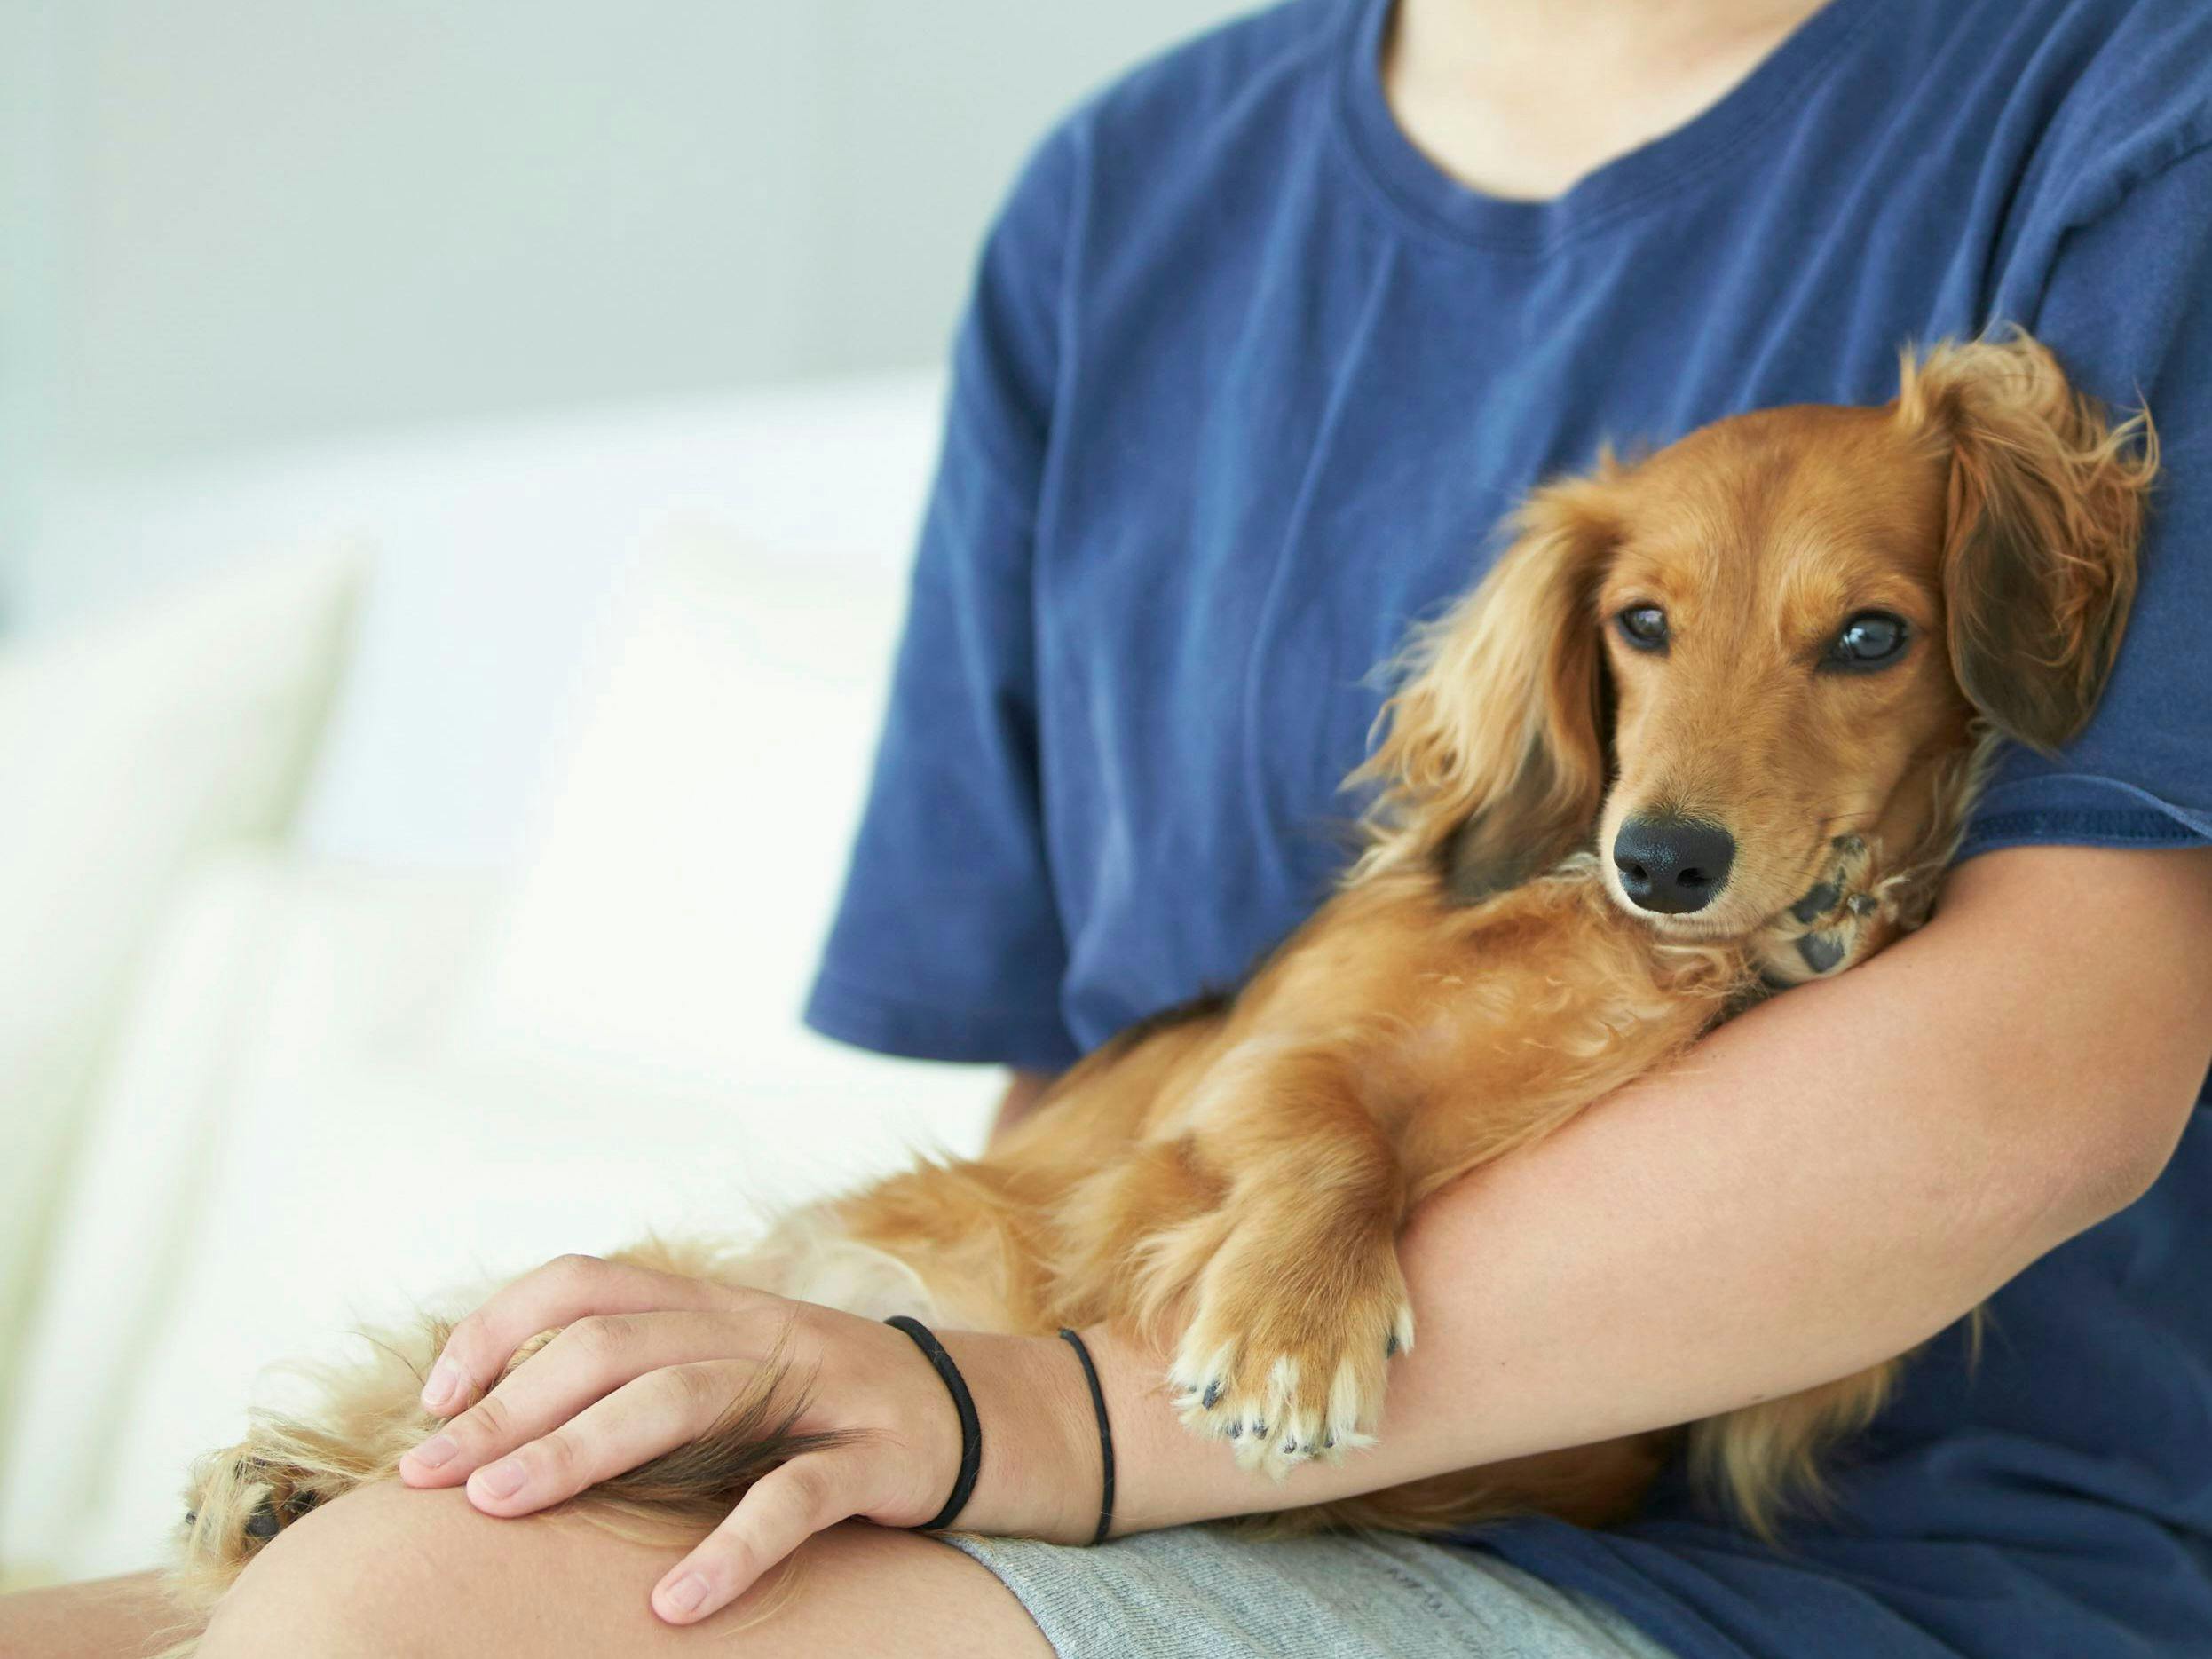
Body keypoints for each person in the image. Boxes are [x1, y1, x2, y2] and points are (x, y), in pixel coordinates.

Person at [8, 0, 2209, 1654]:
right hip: (1162, 1426)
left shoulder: (2127, 97)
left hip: (1847, 1572)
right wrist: (946, 1402)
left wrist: (1042, 1422)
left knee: (397, 1614)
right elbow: (1069, 1096)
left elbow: (2042, 1065)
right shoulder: (1114, 206)